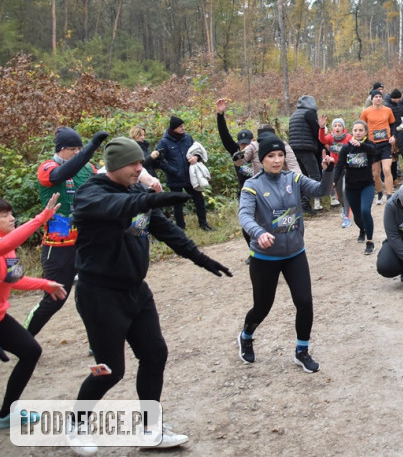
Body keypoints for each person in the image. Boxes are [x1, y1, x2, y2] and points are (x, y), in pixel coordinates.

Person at [72, 137, 232, 452]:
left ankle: (150, 429)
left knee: (155, 354)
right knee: (108, 369)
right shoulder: (90, 194)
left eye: (141, 163)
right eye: (134, 164)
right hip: (99, 293)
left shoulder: (135, 192)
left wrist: (202, 259)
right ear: (116, 165)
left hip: (135, 289)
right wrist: (148, 199)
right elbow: (115, 207)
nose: (139, 168)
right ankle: (75, 424)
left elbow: (166, 231)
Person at [237, 134, 333, 373]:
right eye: (271, 156)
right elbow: (245, 216)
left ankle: (302, 351)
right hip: (265, 257)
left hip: (295, 254)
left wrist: (327, 170)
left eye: (280, 155)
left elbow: (321, 191)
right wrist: (258, 233)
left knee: (304, 302)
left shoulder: (294, 177)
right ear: (262, 158)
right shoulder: (252, 185)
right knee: (263, 306)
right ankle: (246, 335)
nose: (277, 160)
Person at [24, 127, 106, 337]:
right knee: (55, 299)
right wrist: (91, 147)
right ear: (60, 150)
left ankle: (97, 341)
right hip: (58, 247)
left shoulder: (88, 168)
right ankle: (21, 338)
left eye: (80, 148)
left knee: (93, 294)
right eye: (73, 148)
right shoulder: (47, 167)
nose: (78, 152)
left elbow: (109, 179)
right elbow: (64, 172)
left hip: (86, 243)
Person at [0, 194, 67, 430]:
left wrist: (45, 284)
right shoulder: (4, 245)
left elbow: (14, 278)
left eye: (11, 214)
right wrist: (42, 218)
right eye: (5, 216)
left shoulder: (8, 248)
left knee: (31, 351)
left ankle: (6, 413)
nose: (12, 218)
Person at [151, 116, 214, 231]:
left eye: (183, 125)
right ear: (174, 128)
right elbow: (159, 160)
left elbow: (197, 151)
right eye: (180, 126)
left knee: (199, 200)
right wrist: (173, 171)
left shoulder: (188, 138)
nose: (183, 128)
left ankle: (204, 225)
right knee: (178, 205)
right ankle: (181, 228)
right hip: (174, 178)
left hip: (190, 176)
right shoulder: (164, 142)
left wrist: (197, 157)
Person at [331, 120, 378, 254]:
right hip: (351, 187)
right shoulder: (346, 148)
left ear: (365, 132)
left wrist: (361, 145)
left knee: (365, 211)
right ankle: (362, 229)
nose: (358, 133)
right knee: (357, 215)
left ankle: (370, 242)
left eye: (360, 130)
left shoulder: (369, 145)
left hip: (367, 185)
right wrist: (334, 181)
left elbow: (374, 151)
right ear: (352, 132)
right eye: (355, 130)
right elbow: (339, 165)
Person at [287, 94, 325, 213]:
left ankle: (304, 203)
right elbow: (316, 132)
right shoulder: (309, 114)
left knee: (302, 176)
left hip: (294, 149)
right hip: (306, 148)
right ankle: (313, 202)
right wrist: (322, 147)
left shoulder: (294, 114)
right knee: (315, 175)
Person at [360, 89, 397, 205]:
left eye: (380, 96)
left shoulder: (388, 110)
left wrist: (393, 136)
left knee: (386, 169)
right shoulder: (366, 112)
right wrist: (363, 141)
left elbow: (393, 124)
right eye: (375, 97)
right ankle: (380, 192)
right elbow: (361, 126)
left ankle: (389, 195)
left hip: (385, 143)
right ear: (371, 99)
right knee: (375, 173)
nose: (378, 98)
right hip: (372, 145)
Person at [318, 116, 353, 228]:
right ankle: (344, 207)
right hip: (336, 169)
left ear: (343, 128)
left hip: (347, 168)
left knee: (345, 190)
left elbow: (353, 152)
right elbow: (322, 139)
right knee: (339, 194)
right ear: (332, 128)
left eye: (339, 125)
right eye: (335, 125)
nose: (337, 127)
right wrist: (322, 127)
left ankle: (347, 217)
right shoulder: (330, 138)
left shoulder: (348, 138)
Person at [214, 98, 256, 191]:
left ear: (253, 141)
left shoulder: (259, 150)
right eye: (242, 144)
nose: (244, 147)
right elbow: (225, 136)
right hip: (244, 192)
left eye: (247, 144)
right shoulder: (236, 151)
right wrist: (220, 115)